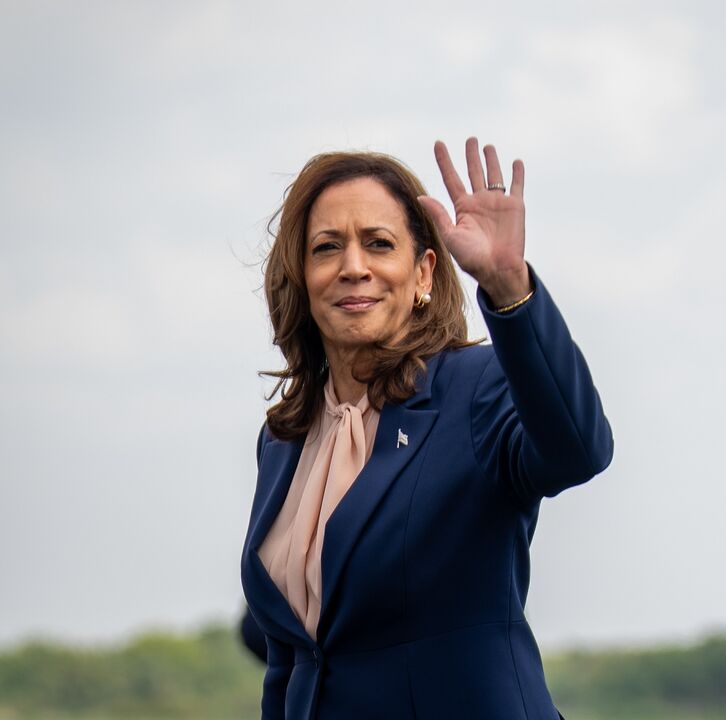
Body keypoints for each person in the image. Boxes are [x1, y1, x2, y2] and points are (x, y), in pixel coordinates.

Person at [240, 138, 613, 719]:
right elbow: (291, 661)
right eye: (327, 247)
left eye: (379, 244)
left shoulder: (476, 388)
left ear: (423, 274)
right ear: (302, 276)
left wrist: (509, 288)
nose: (353, 267)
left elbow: (577, 450)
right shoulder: (284, 441)